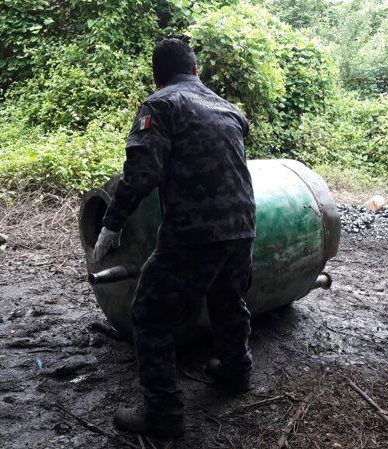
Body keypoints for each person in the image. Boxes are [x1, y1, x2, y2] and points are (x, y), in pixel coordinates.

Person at [91, 38, 256, 439]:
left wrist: (111, 224)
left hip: (193, 232)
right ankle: (235, 372)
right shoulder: (230, 109)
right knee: (227, 299)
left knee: (150, 315)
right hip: (244, 224)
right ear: (196, 70)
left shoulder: (160, 105)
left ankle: (163, 416)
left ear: (156, 76)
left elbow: (143, 173)